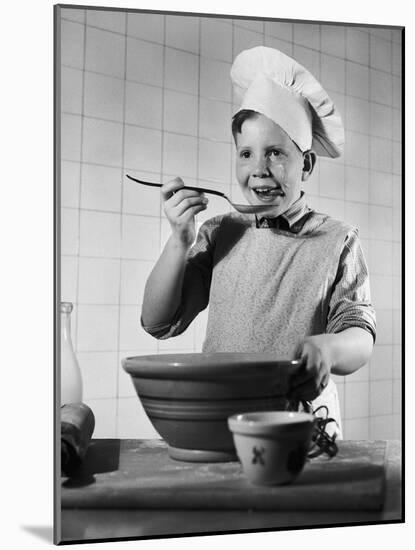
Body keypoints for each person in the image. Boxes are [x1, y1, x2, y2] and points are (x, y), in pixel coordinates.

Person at [140, 46, 376, 438]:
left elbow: (360, 335)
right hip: (218, 419)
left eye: (276, 153)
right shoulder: (219, 233)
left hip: (300, 425)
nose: (258, 169)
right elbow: (158, 321)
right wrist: (180, 240)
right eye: (246, 153)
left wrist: (328, 349)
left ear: (306, 164)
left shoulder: (338, 240)